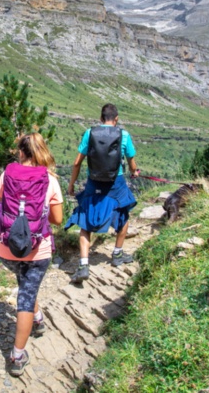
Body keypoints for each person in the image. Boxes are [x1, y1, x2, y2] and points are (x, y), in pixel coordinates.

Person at [0, 132, 63, 377]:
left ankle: (37, 319)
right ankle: (17, 356)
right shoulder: (48, 179)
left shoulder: (7, 175)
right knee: (26, 296)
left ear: (21, 152)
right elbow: (58, 220)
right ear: (41, 152)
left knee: (26, 282)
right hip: (37, 249)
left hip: (6, 248)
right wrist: (40, 213)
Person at [65, 103, 139, 283]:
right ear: (116, 119)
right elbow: (131, 160)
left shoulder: (90, 134)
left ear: (100, 118)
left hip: (93, 182)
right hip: (116, 183)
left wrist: (72, 184)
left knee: (85, 220)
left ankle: (83, 265)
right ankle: (117, 254)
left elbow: (77, 163)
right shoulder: (124, 135)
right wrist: (134, 171)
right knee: (123, 215)